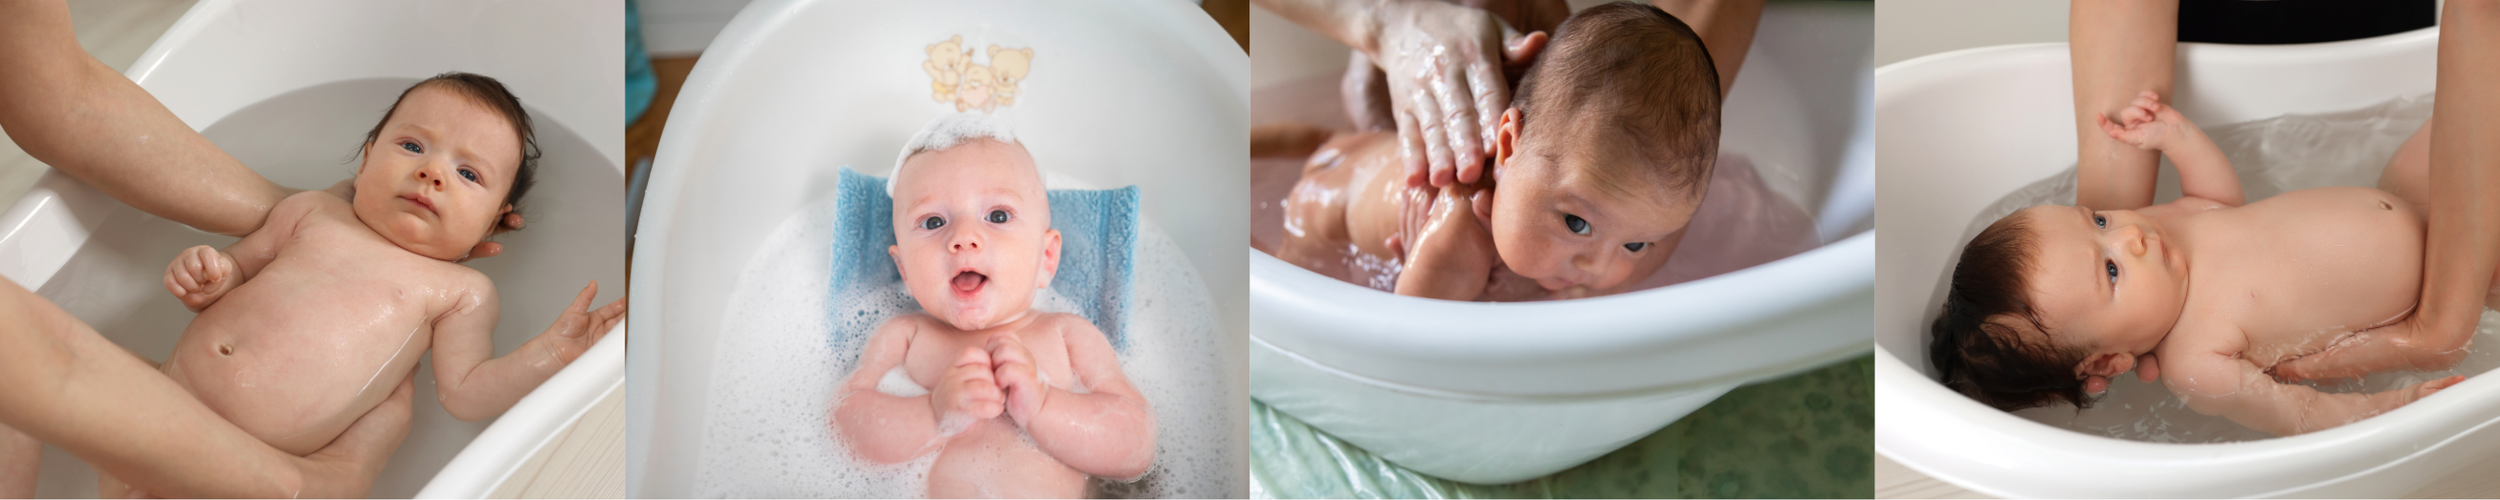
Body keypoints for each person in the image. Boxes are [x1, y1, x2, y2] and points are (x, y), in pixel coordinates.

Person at [831, 114, 1155, 498]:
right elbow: (845, 422)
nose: (964, 237)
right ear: (904, 268)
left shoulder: (1066, 334)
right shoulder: (906, 335)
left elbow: (1136, 445)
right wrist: (933, 415)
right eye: (933, 221)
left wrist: (1044, 405)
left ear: (1046, 259)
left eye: (997, 216)